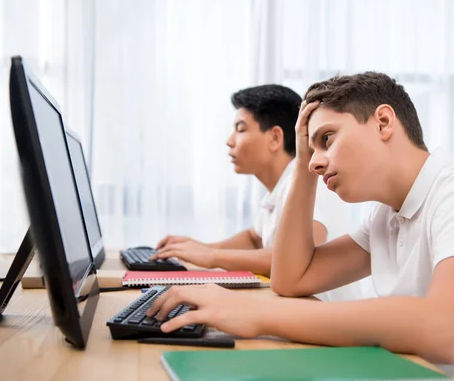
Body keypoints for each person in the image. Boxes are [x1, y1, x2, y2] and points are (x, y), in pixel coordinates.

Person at [147, 72, 454, 380]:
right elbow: (293, 279)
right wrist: (304, 160)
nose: (314, 160)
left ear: (384, 122)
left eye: (328, 139)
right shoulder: (386, 216)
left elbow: (445, 330)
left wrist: (258, 313)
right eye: (311, 149)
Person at [151, 84, 369, 301]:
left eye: (241, 128)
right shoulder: (280, 187)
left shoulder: (311, 182)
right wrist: (200, 249)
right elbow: (254, 239)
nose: (230, 141)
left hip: (327, 319)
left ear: (275, 138)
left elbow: (298, 256)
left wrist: (211, 256)